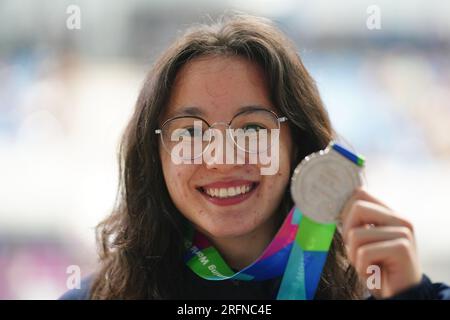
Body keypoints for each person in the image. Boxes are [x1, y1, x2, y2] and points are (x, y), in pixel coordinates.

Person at [60, 13, 449, 300]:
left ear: (297, 143)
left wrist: (411, 296)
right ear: (153, 155)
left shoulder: (383, 290)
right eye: (191, 133)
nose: (223, 161)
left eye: (251, 130)